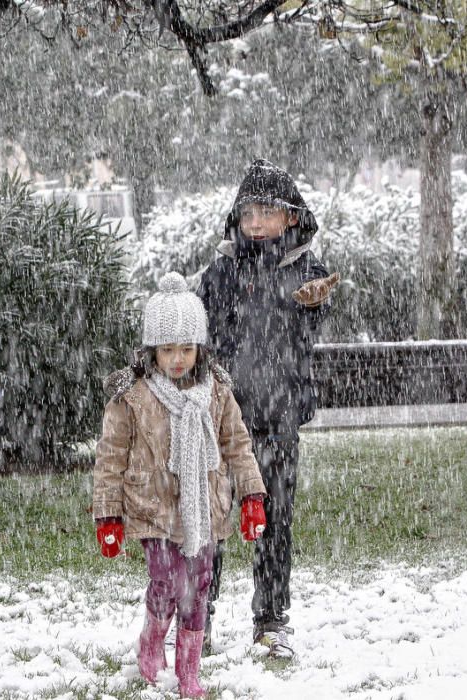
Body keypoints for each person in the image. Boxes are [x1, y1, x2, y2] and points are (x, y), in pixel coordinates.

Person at [93, 272, 267, 698]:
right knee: (168, 581)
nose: (177, 359)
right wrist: (107, 514)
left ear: (200, 348)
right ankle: (152, 639)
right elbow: (110, 456)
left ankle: (189, 670)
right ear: (152, 349)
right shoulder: (131, 395)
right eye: (167, 349)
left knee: (199, 584)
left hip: (202, 509)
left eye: (186, 349)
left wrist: (252, 496)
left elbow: (237, 445)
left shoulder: (217, 392)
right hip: (153, 509)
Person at [197, 159, 339, 658]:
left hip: (278, 419)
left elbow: (312, 324)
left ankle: (271, 620)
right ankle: (197, 617)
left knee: (273, 521)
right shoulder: (220, 272)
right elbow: (197, 331)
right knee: (209, 521)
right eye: (248, 213)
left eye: (268, 212)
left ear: (293, 218)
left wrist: (315, 303)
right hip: (221, 421)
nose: (256, 222)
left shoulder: (307, 271)